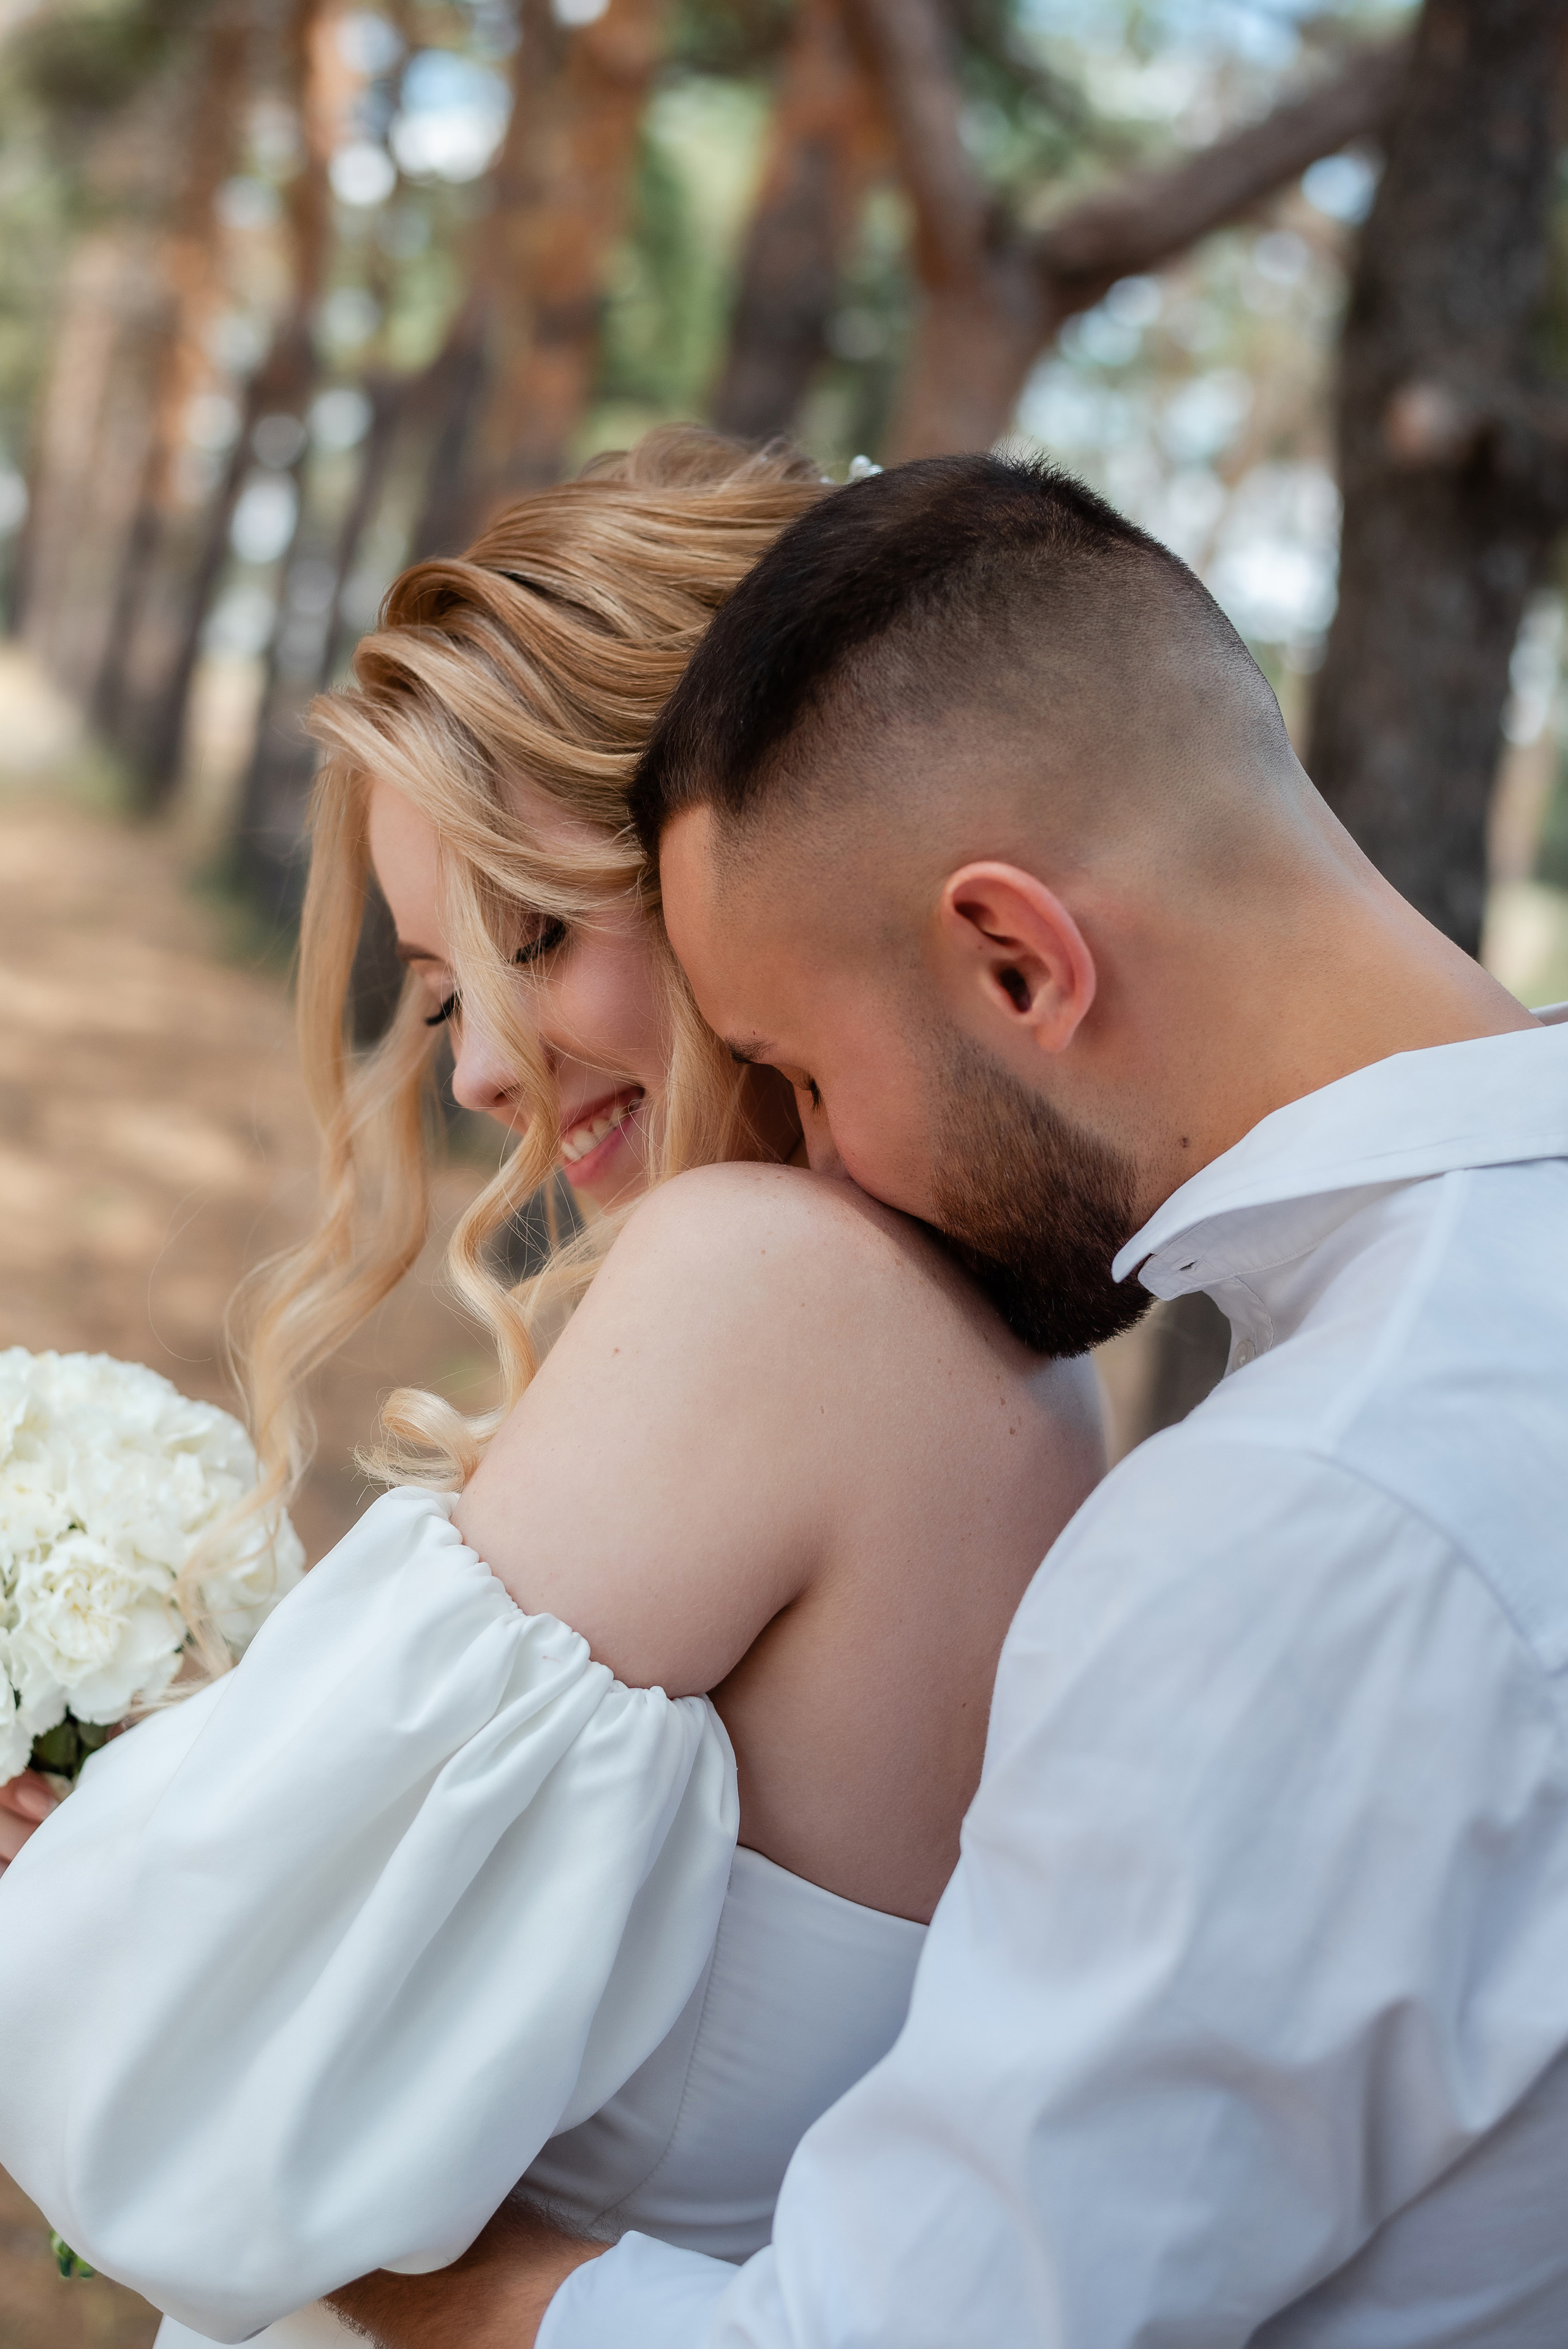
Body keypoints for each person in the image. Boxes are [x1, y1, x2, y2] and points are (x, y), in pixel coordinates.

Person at [326, 451, 1568, 2349]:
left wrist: (373, 2229)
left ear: (1017, 959)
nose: (818, 1159)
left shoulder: (1307, 1527)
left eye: (798, 1072)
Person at [0, 433, 1104, 2346]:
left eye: (535, 933)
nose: (486, 1070)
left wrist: (104, 1860)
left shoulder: (771, 1288)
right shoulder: (1011, 1359)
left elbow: (185, 2081)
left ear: (737, 853)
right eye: (437, 994)